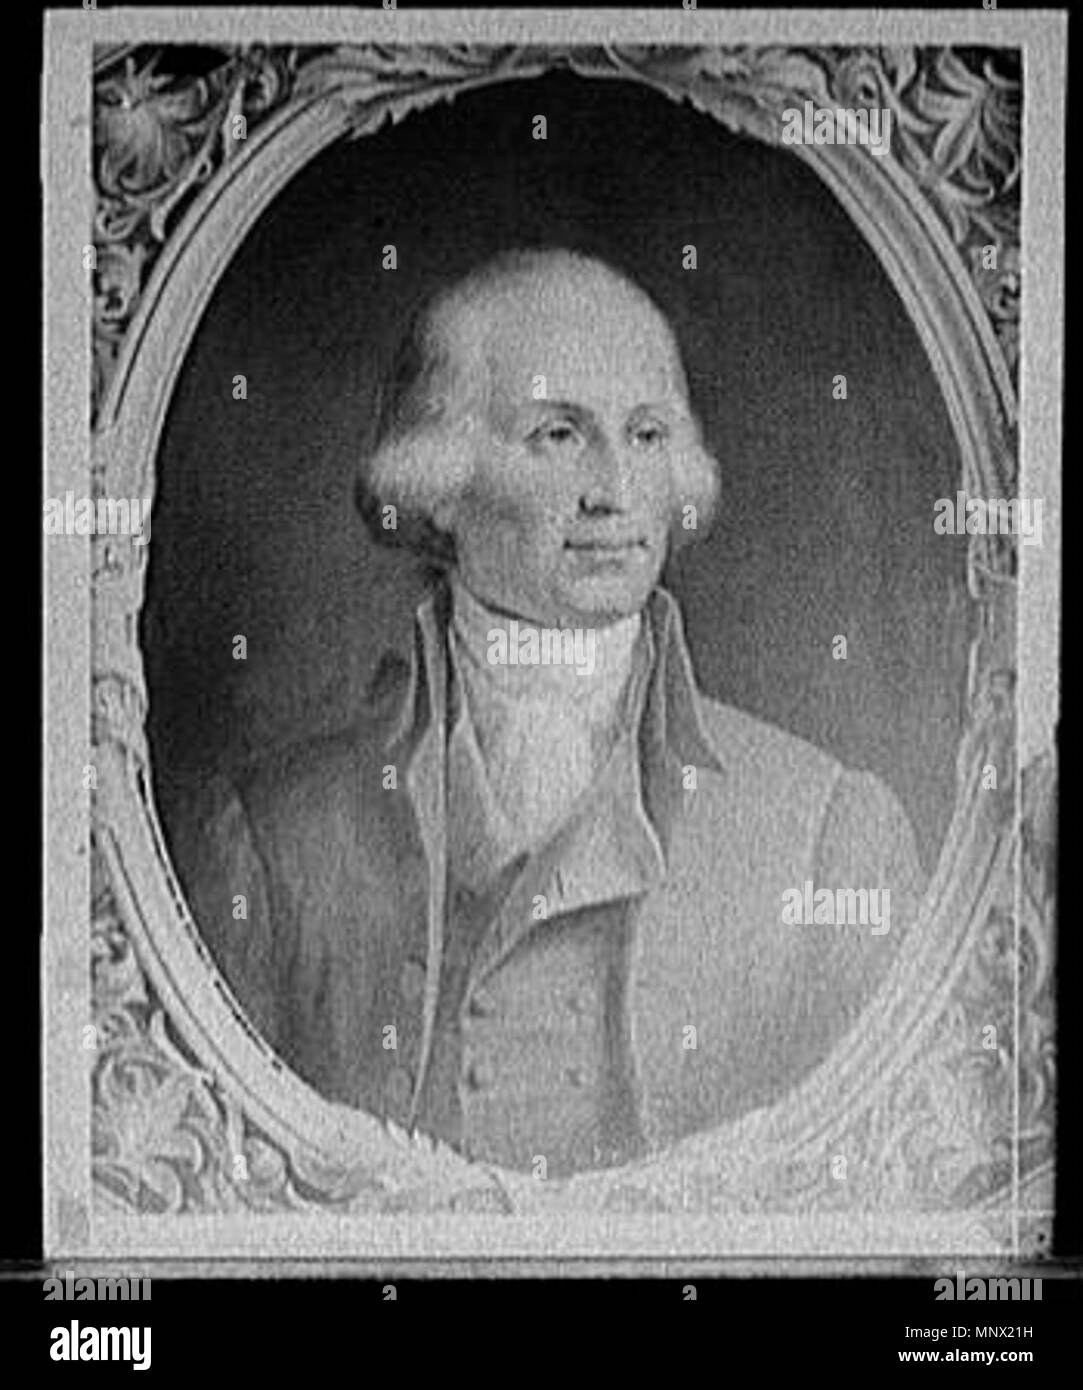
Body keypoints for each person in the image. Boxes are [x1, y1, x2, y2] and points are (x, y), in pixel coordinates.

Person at [175, 248, 924, 1177]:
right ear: (436, 486)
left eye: (646, 435)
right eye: (557, 435)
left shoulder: (828, 832)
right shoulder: (269, 837)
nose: (612, 489)